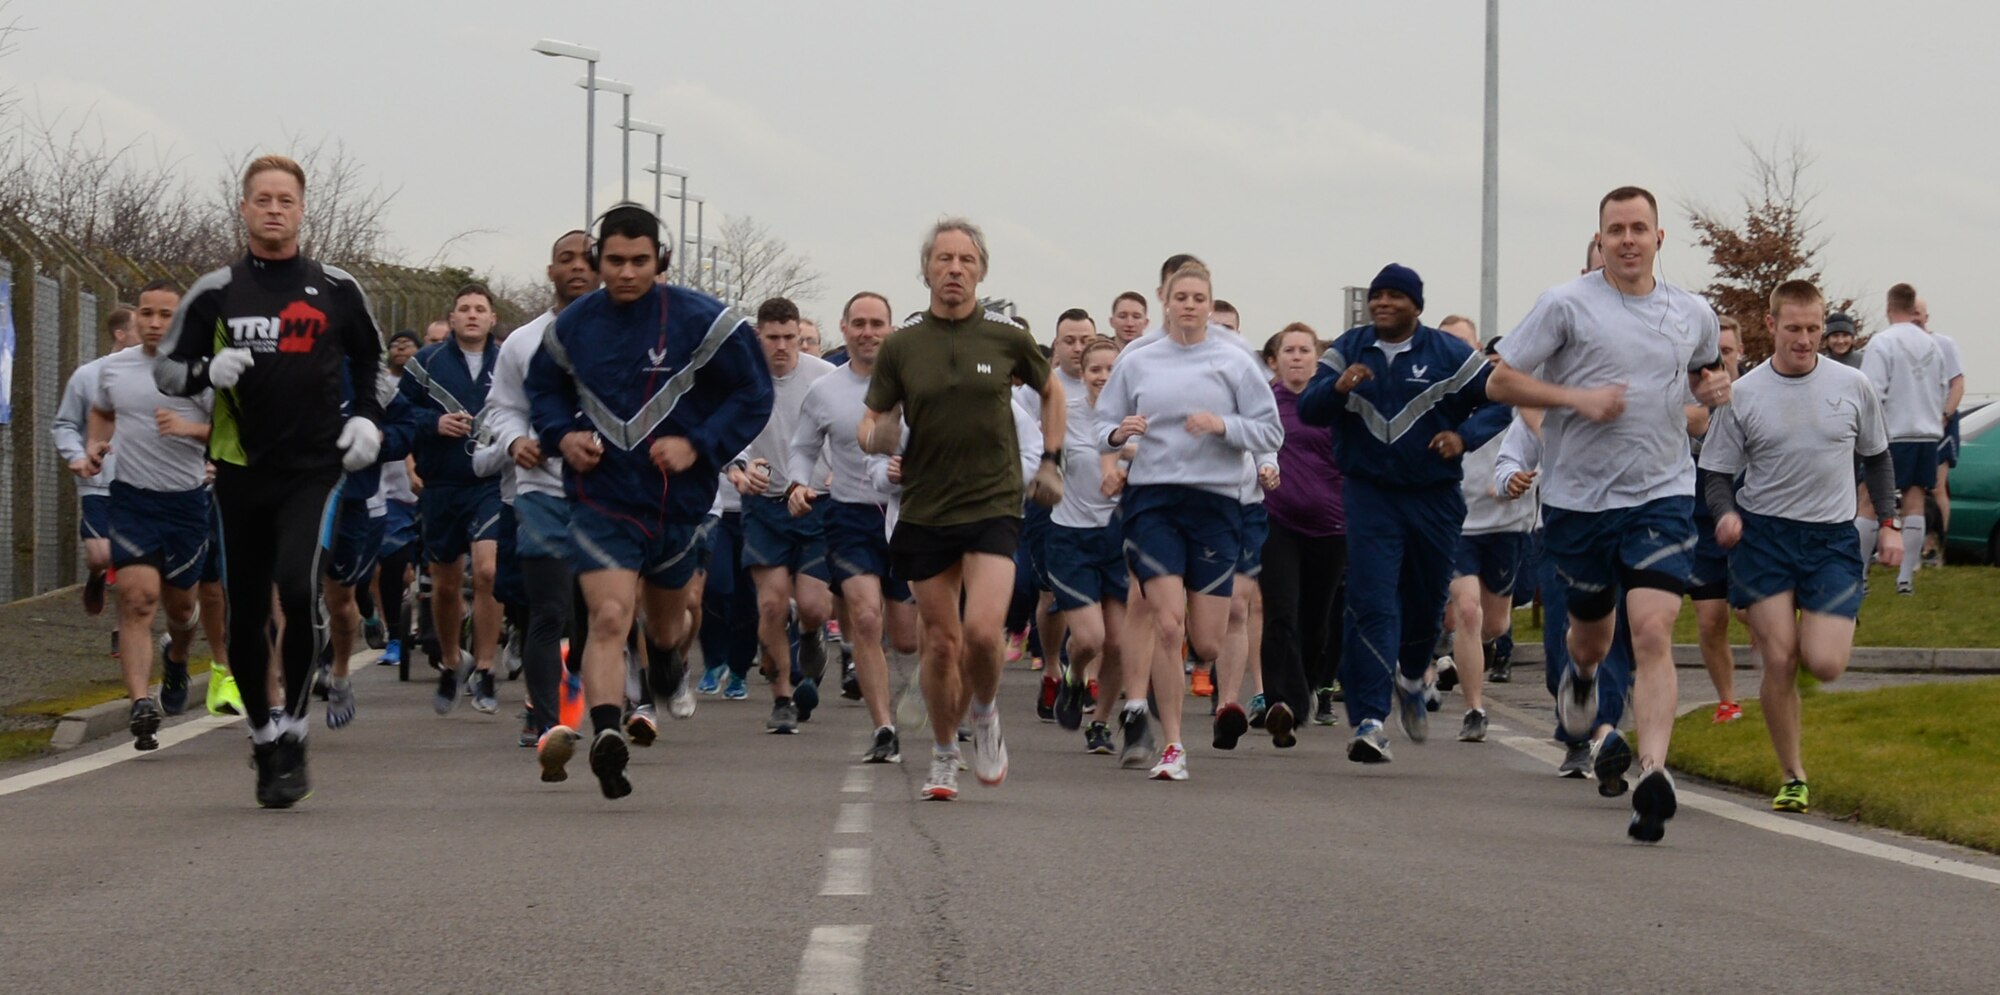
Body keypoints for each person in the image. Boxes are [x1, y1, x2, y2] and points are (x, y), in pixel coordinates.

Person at [1488, 186, 1730, 842]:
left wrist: (1714, 387)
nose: (1628, 239)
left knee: (1653, 629)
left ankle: (1653, 770)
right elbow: (1500, 380)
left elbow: (1708, 372)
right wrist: (1576, 398)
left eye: (1639, 228)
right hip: (1578, 502)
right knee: (1591, 637)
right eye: (1616, 229)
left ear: (1659, 238)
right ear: (1601, 239)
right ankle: (1585, 678)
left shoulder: (1691, 311)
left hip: (1663, 493)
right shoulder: (1566, 305)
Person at [155, 154, 386, 808]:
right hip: (239, 468)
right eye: (263, 199)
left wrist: (367, 418)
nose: (275, 209)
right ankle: (264, 735)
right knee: (248, 610)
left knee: (297, 584)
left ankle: (298, 728)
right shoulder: (218, 290)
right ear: (245, 209)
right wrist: (207, 370)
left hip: (314, 467)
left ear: (302, 209)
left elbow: (370, 355)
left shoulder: (336, 287)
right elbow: (166, 372)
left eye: (286, 199)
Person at [524, 203, 773, 799]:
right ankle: (608, 733)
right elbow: (543, 388)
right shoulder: (573, 328)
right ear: (596, 261)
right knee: (609, 616)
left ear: (661, 259)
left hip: (676, 500)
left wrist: (699, 446)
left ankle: (666, 664)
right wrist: (562, 436)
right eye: (614, 261)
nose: (627, 273)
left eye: (640, 261)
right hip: (601, 496)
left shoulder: (705, 321)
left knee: (666, 625)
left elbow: (753, 392)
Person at [860, 217, 1063, 801]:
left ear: (981, 270)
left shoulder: (1005, 337)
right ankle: (945, 752)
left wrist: (1051, 461)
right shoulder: (903, 344)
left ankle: (986, 713)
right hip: (925, 507)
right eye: (943, 259)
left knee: (981, 633)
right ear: (925, 269)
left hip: (993, 501)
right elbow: (869, 420)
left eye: (965, 260)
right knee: (940, 643)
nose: (954, 269)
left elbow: (1051, 391)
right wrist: (877, 436)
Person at [1700, 280, 1898, 815]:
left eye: (1814, 329)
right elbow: (1715, 473)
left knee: (1825, 663)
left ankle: (1810, 621)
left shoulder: (1853, 385)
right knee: (1781, 660)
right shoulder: (1744, 393)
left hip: (1831, 537)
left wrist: (1890, 522)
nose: (1806, 340)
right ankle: (1793, 775)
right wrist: (1725, 515)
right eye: (1794, 329)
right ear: (1772, 327)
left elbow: (1877, 457)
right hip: (1763, 536)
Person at [1298, 264, 1507, 761]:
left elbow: (1500, 403)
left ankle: (1412, 675)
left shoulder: (1449, 354)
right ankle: (1369, 721)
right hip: (1369, 494)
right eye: (1377, 296)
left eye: (1394, 296)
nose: (1382, 303)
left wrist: (1464, 438)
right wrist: (1337, 388)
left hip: (1433, 496)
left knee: (1425, 603)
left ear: (1416, 306)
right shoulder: (1348, 348)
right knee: (1371, 602)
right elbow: (1308, 409)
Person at [1096, 261, 1283, 781]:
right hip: (1153, 501)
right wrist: (1119, 435)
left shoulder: (1235, 360)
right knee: (1166, 621)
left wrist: (1222, 425)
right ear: (1165, 299)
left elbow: (1271, 432)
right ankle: (1173, 744)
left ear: (1209, 303)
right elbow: (1102, 425)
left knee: (1206, 641)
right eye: (1181, 296)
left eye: (1199, 297)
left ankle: (1192, 689)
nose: (1189, 305)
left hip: (1216, 503)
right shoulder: (1139, 359)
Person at [480, 229, 600, 754]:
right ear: (549, 271)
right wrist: (514, 441)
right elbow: (501, 407)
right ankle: (546, 722)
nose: (576, 267)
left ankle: (599, 696)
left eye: (586, 259)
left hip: (606, 494)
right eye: (565, 260)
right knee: (546, 610)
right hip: (540, 491)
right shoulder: (524, 342)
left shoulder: (626, 337)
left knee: (598, 615)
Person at [788, 290, 919, 762]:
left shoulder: (916, 385)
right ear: (844, 329)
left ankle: (937, 677)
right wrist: (798, 485)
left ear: (891, 330)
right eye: (858, 323)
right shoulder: (825, 390)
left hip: (911, 516)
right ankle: (884, 727)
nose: (867, 332)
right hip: (849, 514)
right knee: (864, 618)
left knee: (907, 638)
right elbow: (802, 448)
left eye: (876, 324)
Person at [82, 281, 208, 748]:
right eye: (146, 313)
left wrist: (189, 427)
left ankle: (176, 656)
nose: (154, 323)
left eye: (166, 315)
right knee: (137, 599)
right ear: (134, 316)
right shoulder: (114, 370)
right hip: (132, 498)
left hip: (187, 503)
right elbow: (102, 411)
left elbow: (232, 436)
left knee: (180, 607)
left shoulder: (203, 371)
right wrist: (95, 444)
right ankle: (140, 703)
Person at [730, 296, 836, 734]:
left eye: (790, 338)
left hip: (816, 503)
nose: (782, 347)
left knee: (812, 605)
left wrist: (832, 476)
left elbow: (845, 431)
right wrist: (738, 469)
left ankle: (811, 635)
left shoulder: (824, 378)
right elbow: (722, 433)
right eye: (772, 338)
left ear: (801, 337)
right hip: (764, 503)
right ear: (759, 337)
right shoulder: (740, 379)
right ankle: (783, 697)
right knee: (772, 604)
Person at [402, 284, 506, 714]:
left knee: (487, 571)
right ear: (453, 317)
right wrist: (433, 423)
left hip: (491, 483)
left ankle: (484, 668)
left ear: (492, 319)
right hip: (441, 483)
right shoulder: (424, 363)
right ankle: (450, 661)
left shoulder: (509, 360)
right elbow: (398, 415)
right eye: (464, 308)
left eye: (480, 309)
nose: (472, 315)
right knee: (444, 585)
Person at [1437, 322, 1531, 743]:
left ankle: (1465, 655)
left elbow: (1546, 447)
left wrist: (1516, 480)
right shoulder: (1439, 398)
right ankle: (1475, 708)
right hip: (1458, 522)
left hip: (1506, 524)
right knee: (1469, 612)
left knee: (1495, 622)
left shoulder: (1513, 396)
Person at [1258, 323, 1346, 747]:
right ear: (1274, 361)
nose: (1296, 356)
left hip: (1331, 526)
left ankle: (1302, 692)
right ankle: (1281, 703)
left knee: (1316, 624)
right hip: (1277, 521)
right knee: (1280, 611)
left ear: (1318, 357)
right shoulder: (1264, 403)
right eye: (1288, 350)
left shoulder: (1334, 404)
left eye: (1304, 350)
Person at [1046, 335, 1128, 753]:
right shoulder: (1066, 414)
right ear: (1083, 372)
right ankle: (1075, 676)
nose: (1103, 376)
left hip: (1119, 538)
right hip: (1070, 537)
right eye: (1096, 369)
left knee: (1117, 643)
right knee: (1091, 638)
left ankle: (1100, 723)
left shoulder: (1136, 419)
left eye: (1112, 369)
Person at [54, 306, 139, 648]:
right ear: (120, 334)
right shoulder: (87, 376)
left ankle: (123, 630)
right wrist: (76, 456)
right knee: (102, 555)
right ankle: (96, 574)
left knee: (133, 561)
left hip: (139, 483)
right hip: (98, 482)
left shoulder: (158, 375)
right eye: (139, 325)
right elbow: (65, 424)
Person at [1858, 283, 1945, 596]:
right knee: (1915, 501)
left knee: (1868, 499)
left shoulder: (1882, 342)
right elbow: (1942, 387)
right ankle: (1905, 578)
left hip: (1892, 432)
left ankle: (1861, 575)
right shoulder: (1932, 344)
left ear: (1889, 307)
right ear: (1913, 308)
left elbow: (1870, 391)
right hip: (1926, 433)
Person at [1690, 316, 1746, 722]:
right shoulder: (1690, 402)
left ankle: (1781, 679)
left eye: (1726, 352)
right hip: (1700, 521)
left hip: (1751, 518)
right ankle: (1728, 702)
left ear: (1739, 353)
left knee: (1754, 612)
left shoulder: (1756, 395)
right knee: (1712, 620)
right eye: (1711, 357)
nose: (1718, 364)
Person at [373, 329, 423, 669]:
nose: (401, 348)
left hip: (430, 489)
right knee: (391, 564)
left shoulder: (430, 386)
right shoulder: (380, 386)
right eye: (395, 343)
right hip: (390, 492)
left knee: (430, 569)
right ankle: (393, 634)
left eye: (409, 344)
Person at [1915, 297, 1965, 562]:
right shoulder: (1901, 346)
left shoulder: (1944, 344)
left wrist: (1945, 415)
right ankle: (1922, 545)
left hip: (1942, 423)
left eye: (1918, 314)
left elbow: (1958, 383)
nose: (1914, 319)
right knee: (1915, 487)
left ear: (1926, 316)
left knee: (1936, 486)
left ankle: (1939, 547)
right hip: (1914, 425)